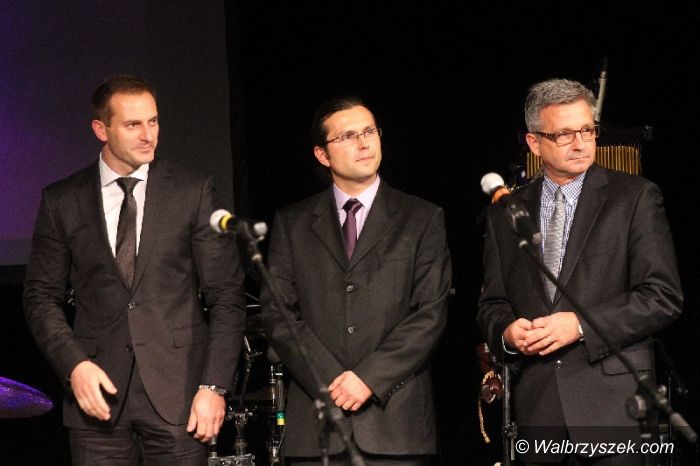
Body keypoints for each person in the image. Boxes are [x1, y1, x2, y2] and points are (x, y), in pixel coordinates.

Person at [23, 74, 247, 465]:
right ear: (101, 129)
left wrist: (214, 386)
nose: (148, 135)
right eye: (132, 125)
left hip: (179, 396)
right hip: (97, 400)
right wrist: (74, 365)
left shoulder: (191, 191)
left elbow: (226, 294)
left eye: (153, 121)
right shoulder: (63, 200)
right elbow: (40, 296)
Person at [477, 78, 683, 465]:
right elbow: (493, 303)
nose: (580, 143)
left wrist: (580, 325)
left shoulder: (635, 198)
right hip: (540, 412)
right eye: (564, 134)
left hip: (613, 410)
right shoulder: (505, 214)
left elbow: (662, 296)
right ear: (534, 143)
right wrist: (507, 333)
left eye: (587, 130)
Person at [260, 97, 452, 465]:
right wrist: (333, 380)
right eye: (348, 136)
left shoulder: (421, 218)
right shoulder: (292, 223)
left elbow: (430, 312)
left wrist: (368, 378)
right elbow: (278, 314)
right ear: (322, 154)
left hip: (396, 426)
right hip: (316, 427)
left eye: (369, 132)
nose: (364, 144)